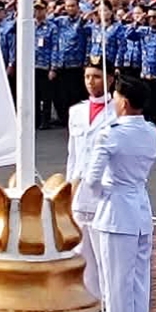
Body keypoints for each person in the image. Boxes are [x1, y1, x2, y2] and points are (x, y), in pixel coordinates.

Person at [84, 75, 156, 312]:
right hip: (140, 209)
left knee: (115, 285)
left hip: (116, 211)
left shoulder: (112, 133)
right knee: (138, 285)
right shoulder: (150, 132)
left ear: (124, 103)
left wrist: (106, 191)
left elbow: (92, 180)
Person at [65, 63, 115, 299]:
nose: (90, 81)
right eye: (87, 76)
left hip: (104, 191)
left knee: (105, 255)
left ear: (110, 79)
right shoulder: (76, 111)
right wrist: (68, 187)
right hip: (79, 191)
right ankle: (88, 301)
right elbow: (73, 155)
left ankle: (107, 303)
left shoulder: (116, 111)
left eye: (96, 76)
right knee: (81, 254)